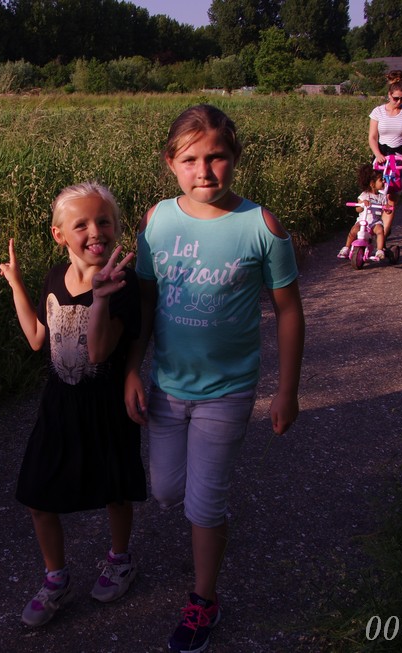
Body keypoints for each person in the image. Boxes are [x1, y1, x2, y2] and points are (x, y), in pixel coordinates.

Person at [124, 105, 304, 653]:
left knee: (204, 505)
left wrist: (287, 389)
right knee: (165, 491)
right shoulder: (157, 222)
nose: (204, 171)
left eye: (216, 157)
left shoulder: (260, 226)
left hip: (228, 391)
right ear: (170, 163)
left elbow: (289, 310)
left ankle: (204, 600)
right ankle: (209, 515)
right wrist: (132, 368)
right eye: (190, 159)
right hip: (167, 385)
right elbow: (146, 302)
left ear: (235, 158)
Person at [0, 181, 147, 628]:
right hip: (58, 406)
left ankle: (119, 560)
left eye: (104, 221)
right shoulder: (53, 277)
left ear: (116, 227)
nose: (95, 231)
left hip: (105, 408)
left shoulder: (123, 285)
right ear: (59, 234)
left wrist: (100, 297)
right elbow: (36, 339)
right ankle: (55, 577)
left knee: (115, 491)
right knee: (37, 495)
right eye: (81, 224)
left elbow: (98, 352)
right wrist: (16, 285)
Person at [368, 69, 402, 237]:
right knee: (376, 194)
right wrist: (377, 154)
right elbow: (372, 137)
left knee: (392, 198)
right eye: (395, 98)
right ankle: (372, 228)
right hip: (382, 156)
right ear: (389, 95)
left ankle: (383, 236)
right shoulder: (378, 111)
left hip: (400, 157)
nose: (398, 102)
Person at [337, 164, 387, 261]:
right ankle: (346, 248)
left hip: (375, 222)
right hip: (362, 221)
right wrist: (362, 204)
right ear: (372, 184)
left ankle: (379, 250)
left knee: (380, 231)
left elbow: (386, 210)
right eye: (381, 180)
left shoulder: (382, 197)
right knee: (354, 230)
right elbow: (358, 209)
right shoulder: (364, 195)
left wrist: (387, 208)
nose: (384, 181)